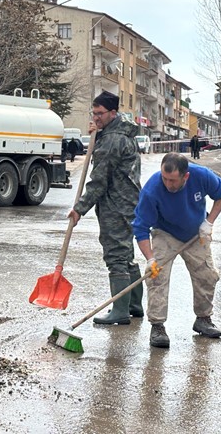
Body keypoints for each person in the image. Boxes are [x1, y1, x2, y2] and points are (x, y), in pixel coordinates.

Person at [132, 152, 221, 348]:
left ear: (186, 176)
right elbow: (140, 228)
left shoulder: (202, 176)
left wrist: (209, 223)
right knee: (156, 276)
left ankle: (203, 319)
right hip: (165, 232)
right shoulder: (152, 190)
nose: (168, 184)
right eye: (165, 178)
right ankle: (157, 326)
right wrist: (150, 259)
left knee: (207, 275)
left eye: (173, 180)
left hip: (195, 233)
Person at [68, 91, 143, 325]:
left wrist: (79, 208)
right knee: (126, 254)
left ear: (112, 113)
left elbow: (99, 180)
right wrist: (99, 134)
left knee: (116, 256)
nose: (96, 117)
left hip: (116, 204)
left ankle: (120, 311)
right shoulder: (120, 132)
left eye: (100, 113)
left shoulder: (112, 140)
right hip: (129, 201)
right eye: (93, 113)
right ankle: (134, 305)